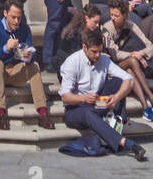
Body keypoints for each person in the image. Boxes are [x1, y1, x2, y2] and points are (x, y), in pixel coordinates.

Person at [59, 30, 147, 160]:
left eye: (100, 51)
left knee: (119, 82)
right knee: (89, 114)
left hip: (96, 103)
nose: (98, 55)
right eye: (94, 52)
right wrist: (83, 98)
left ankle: (115, 129)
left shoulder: (104, 59)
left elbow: (128, 79)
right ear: (84, 47)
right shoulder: (72, 62)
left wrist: (117, 97)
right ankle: (127, 143)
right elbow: (65, 97)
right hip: (76, 110)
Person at [0, 0, 52, 130]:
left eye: (19, 18)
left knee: (34, 66)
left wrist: (28, 56)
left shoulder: (24, 28)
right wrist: (6, 48)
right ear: (5, 14)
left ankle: (43, 113)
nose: (16, 21)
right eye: (13, 17)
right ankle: (0, 113)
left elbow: (31, 54)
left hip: (15, 71)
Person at [103, 0, 153, 122]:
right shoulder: (107, 28)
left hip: (125, 65)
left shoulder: (130, 25)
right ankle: (152, 98)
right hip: (110, 65)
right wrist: (133, 55)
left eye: (117, 15)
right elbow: (115, 54)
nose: (113, 18)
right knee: (132, 61)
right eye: (111, 15)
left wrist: (140, 53)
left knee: (130, 71)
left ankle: (146, 108)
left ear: (125, 15)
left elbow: (151, 46)